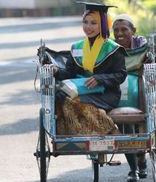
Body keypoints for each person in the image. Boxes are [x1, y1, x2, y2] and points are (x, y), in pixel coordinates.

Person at [52, 2, 127, 136]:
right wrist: (56, 71)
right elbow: (70, 73)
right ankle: (86, 137)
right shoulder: (77, 47)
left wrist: (100, 79)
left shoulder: (113, 49)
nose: (88, 27)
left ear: (102, 24)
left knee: (73, 102)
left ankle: (112, 131)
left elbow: (120, 75)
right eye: (85, 22)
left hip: (106, 93)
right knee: (60, 99)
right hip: (82, 90)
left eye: (93, 23)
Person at [112, 13, 148, 182]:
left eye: (124, 29)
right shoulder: (110, 46)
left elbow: (150, 58)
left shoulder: (141, 43)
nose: (120, 33)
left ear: (133, 31)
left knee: (141, 125)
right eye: (116, 30)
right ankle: (133, 169)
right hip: (118, 88)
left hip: (138, 86)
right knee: (125, 125)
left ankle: (141, 158)